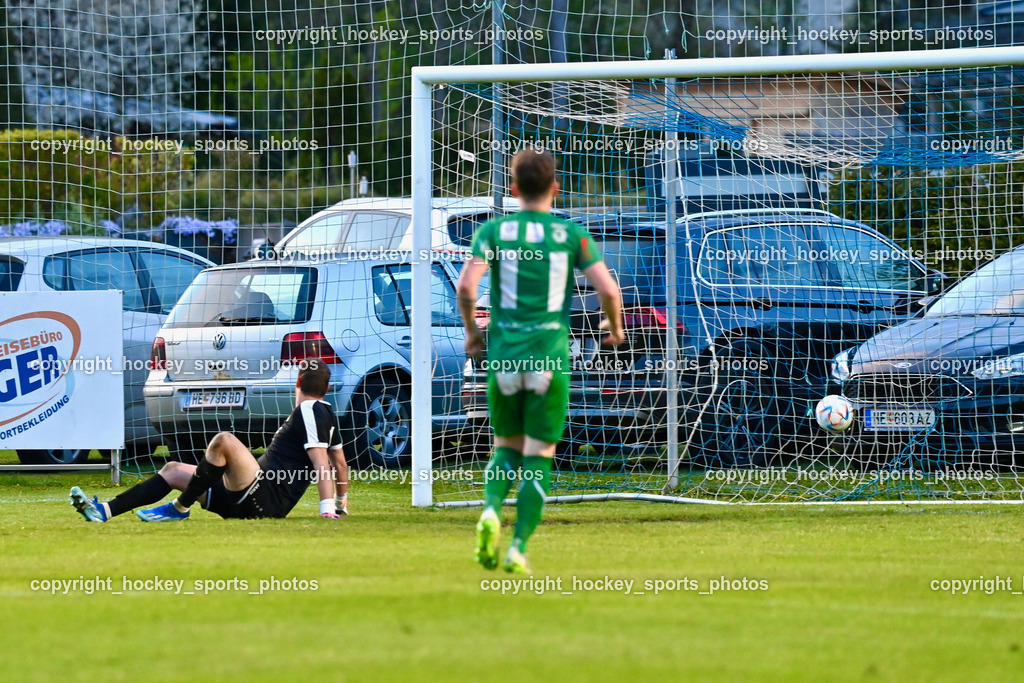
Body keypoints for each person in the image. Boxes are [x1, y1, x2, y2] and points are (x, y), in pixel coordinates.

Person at [457, 148, 624, 574]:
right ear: (555, 188)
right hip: (548, 358)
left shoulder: (493, 232)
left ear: (512, 189)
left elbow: (465, 288)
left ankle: (492, 509)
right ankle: (517, 547)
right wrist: (614, 330)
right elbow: (608, 290)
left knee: (505, 448)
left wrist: (474, 334)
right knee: (539, 454)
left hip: (505, 358)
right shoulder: (571, 235)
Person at [70, 358, 349, 522]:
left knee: (224, 440)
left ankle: (180, 507)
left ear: (297, 383)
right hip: (243, 497)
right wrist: (341, 503)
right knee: (173, 470)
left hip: (263, 496)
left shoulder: (309, 410)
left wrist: (326, 509)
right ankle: (104, 511)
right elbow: (341, 464)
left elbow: (321, 462)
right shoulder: (327, 416)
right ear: (325, 389)